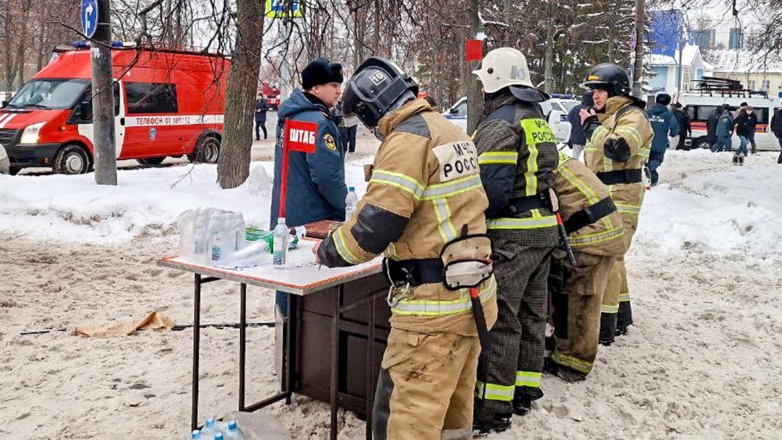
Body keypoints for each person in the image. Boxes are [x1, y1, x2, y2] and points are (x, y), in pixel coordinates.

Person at [316, 57, 497, 440]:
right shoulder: (449, 130)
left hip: (432, 314)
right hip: (474, 296)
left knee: (407, 421)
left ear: (372, 110)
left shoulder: (406, 141)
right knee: (451, 412)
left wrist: (329, 250)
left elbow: (372, 230)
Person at [470, 47, 560, 433]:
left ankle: (494, 407)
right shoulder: (536, 117)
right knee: (532, 315)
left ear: (494, 80)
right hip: (543, 230)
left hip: (512, 236)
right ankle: (524, 390)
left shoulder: (499, 124)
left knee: (502, 319)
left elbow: (489, 191)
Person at [579, 63, 654, 343]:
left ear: (616, 91)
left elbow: (619, 149)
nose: (595, 96)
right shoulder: (606, 118)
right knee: (614, 257)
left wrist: (591, 127)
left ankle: (604, 325)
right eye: (592, 91)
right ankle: (621, 316)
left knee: (607, 256)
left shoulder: (633, 116)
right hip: (604, 193)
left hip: (622, 194)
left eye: (600, 90)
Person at [270, 57, 346, 316]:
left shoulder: (289, 117)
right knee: (312, 284)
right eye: (333, 85)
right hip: (314, 216)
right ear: (315, 88)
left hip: (285, 211)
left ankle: (284, 326)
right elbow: (328, 177)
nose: (338, 91)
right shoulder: (320, 123)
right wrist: (343, 209)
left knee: (286, 275)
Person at [547, 151, 624, 382]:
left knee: (578, 300)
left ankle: (573, 364)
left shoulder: (539, 163)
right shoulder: (550, 155)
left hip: (590, 234)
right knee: (573, 298)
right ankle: (565, 348)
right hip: (599, 225)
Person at [645, 93, 679, 186]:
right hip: (660, 142)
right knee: (656, 160)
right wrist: (673, 134)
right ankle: (650, 170)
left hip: (646, 141)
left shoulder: (647, 112)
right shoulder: (668, 115)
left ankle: (651, 179)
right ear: (667, 103)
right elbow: (675, 128)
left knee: (647, 159)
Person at [568, 91, 594, 160]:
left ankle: (574, 166)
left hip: (576, 137)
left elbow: (569, 120)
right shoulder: (592, 110)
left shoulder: (575, 109)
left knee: (575, 158)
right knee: (588, 159)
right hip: (588, 138)